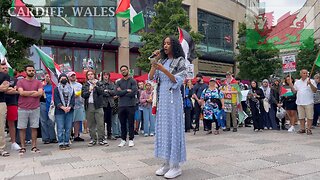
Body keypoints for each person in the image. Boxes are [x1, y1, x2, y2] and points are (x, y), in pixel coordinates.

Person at [149, 36, 187, 179]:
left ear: (174, 45)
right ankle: (165, 162)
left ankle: (175, 165)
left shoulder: (180, 61)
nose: (165, 45)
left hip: (173, 98)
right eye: (164, 43)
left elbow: (178, 80)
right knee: (163, 129)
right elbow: (151, 78)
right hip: (162, 98)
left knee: (173, 128)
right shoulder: (162, 61)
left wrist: (164, 70)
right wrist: (155, 62)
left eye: (168, 43)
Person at [16, 64, 43, 154]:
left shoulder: (38, 82)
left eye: (32, 70)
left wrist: (27, 93)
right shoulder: (20, 82)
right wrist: (33, 92)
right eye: (29, 70)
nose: (31, 72)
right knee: (22, 128)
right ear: (25, 72)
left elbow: (39, 93)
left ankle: (34, 146)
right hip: (22, 108)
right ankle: (23, 147)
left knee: (34, 127)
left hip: (35, 107)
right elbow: (21, 93)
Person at [81, 70, 107, 146]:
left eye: (91, 74)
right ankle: (93, 139)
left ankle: (101, 139)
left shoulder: (99, 83)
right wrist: (89, 90)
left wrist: (96, 86)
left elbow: (102, 92)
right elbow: (83, 95)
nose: (90, 76)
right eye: (88, 75)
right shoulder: (85, 85)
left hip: (98, 106)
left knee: (100, 123)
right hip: (89, 105)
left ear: (94, 75)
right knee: (91, 124)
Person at [289, 69, 317, 135]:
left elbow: (315, 90)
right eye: (303, 73)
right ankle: (302, 129)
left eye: (306, 73)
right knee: (301, 117)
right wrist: (291, 86)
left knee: (309, 116)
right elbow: (294, 91)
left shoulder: (311, 81)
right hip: (299, 102)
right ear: (300, 74)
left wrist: (310, 84)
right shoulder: (297, 82)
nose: (305, 74)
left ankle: (309, 129)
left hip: (308, 102)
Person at [116, 65, 137, 147]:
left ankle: (131, 139)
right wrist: (126, 90)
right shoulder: (119, 82)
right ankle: (123, 139)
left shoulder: (133, 81)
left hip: (131, 105)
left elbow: (133, 93)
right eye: (122, 70)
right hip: (121, 105)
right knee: (122, 123)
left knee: (131, 123)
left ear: (128, 70)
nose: (123, 71)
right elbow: (117, 93)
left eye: (125, 70)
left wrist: (122, 92)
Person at [1, 63, 21, 151]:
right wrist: (9, 89)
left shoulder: (14, 80)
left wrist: (9, 90)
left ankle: (13, 142)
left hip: (11, 102)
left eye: (6, 68)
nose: (5, 69)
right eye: (3, 68)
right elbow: (6, 90)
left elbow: (17, 91)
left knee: (11, 123)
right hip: (2, 101)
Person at [54, 74, 75, 150]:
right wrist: (63, 107)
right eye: (61, 78)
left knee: (68, 127)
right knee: (60, 127)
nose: (63, 79)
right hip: (59, 111)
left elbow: (73, 99)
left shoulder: (71, 89)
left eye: (65, 78)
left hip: (69, 110)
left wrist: (69, 107)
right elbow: (56, 100)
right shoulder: (56, 89)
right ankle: (60, 143)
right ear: (59, 80)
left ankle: (66, 142)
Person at [40, 73, 57, 144]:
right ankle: (45, 138)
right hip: (43, 103)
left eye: (49, 76)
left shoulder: (54, 85)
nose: (48, 78)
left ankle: (53, 137)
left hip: (52, 104)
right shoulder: (41, 85)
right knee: (43, 121)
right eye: (46, 76)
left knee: (51, 120)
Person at [68, 72, 85, 142]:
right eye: (71, 76)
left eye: (74, 76)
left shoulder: (79, 85)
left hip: (78, 104)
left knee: (77, 121)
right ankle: (68, 135)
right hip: (69, 105)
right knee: (69, 121)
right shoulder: (67, 85)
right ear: (68, 77)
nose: (73, 77)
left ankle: (76, 135)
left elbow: (82, 93)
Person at [100, 71, 117, 140]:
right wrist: (108, 92)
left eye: (107, 75)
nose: (106, 76)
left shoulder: (112, 83)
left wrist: (107, 91)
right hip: (103, 104)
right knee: (102, 120)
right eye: (104, 75)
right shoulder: (100, 83)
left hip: (110, 103)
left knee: (109, 120)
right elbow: (101, 92)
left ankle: (109, 134)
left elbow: (114, 92)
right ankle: (102, 135)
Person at [0, 63, 10, 156]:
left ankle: (1, 148)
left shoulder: (4, 75)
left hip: (1, 103)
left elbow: (4, 88)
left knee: (1, 127)